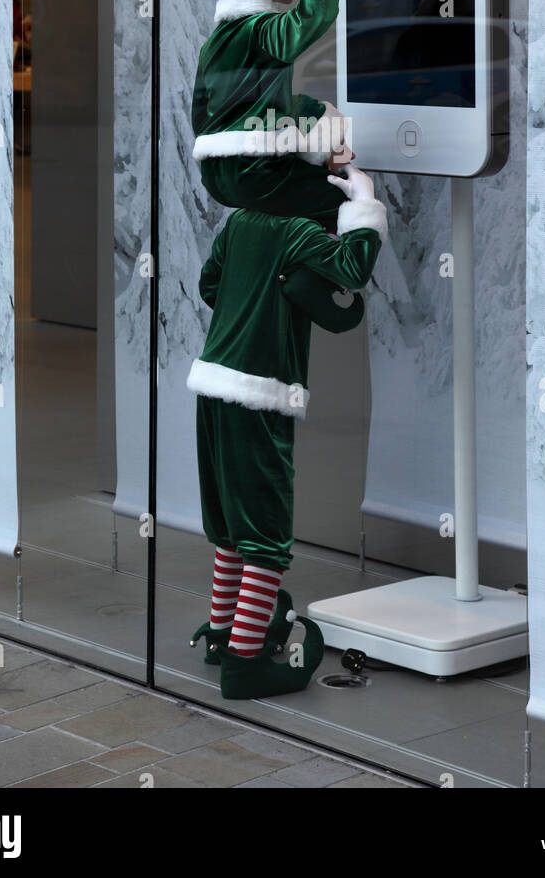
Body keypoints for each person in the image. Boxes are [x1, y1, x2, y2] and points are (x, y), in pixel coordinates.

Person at [186, 156, 387, 699]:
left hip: (213, 387)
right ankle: (245, 664)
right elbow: (353, 268)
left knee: (231, 529)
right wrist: (363, 200)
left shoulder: (240, 223)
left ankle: (223, 635)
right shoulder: (297, 231)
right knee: (267, 538)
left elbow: (211, 286)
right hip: (260, 395)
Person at [174, 0, 351, 229]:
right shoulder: (262, 31)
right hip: (255, 171)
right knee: (347, 203)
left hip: (219, 176)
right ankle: (304, 278)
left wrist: (318, 117)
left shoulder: (218, 42)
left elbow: (232, 108)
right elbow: (312, 16)